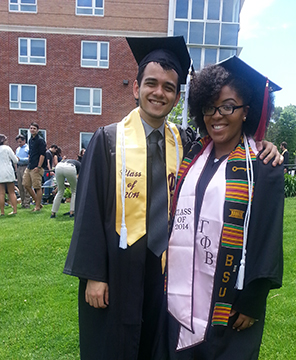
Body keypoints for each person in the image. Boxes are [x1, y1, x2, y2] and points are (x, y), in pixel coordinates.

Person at [64, 37, 282, 360]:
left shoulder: (186, 143)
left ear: (178, 97)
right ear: (135, 88)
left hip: (166, 270)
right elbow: (88, 213)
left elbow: (230, 147)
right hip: (120, 268)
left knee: (157, 346)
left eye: (169, 87)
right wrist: (94, 275)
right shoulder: (108, 140)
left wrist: (265, 144)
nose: (159, 92)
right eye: (151, 83)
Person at [166, 56, 284, 360]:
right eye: (210, 107)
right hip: (181, 295)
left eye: (229, 106)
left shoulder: (261, 164)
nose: (217, 116)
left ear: (247, 112)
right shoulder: (193, 155)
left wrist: (253, 300)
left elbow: (267, 234)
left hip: (232, 301)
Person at [23, 122, 46, 212]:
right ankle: (38, 203)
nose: (32, 130)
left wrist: (39, 166)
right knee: (26, 184)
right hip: (30, 166)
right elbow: (31, 152)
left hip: (37, 167)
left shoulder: (40, 140)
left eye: (34, 128)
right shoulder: (30, 140)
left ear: (38, 130)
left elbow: (42, 155)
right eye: (31, 128)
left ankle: (37, 207)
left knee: (37, 187)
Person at [0, 134, 18, 216]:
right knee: (11, 192)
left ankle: (2, 212)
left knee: (1, 193)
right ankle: (14, 210)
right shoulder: (7, 148)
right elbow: (15, 160)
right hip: (8, 171)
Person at [15, 134, 31, 208]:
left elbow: (29, 159)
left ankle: (27, 203)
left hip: (25, 167)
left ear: (24, 141)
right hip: (18, 167)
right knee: (20, 185)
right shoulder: (17, 149)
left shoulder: (28, 148)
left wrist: (20, 159)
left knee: (26, 184)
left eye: (20, 142)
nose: (19, 143)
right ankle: (22, 202)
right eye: (18, 142)